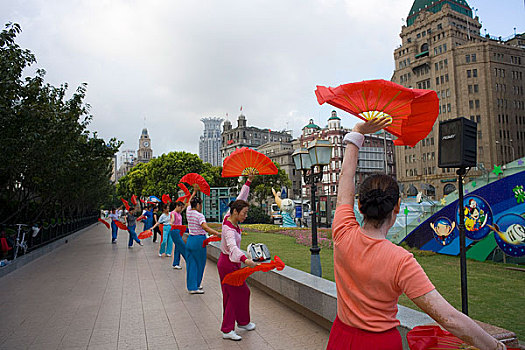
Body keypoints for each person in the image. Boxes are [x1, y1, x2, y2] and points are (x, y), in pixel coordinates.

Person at [327, 117, 506, 350]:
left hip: (340, 337)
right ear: (397, 207)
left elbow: (345, 182)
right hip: (379, 343)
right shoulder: (400, 261)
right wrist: (495, 346)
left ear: (359, 207)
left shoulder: (342, 232)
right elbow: (448, 318)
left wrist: (356, 134)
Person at [218, 176, 259, 341]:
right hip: (228, 263)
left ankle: (242, 322)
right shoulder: (228, 229)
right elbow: (233, 249)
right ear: (236, 212)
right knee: (233, 296)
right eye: (244, 213)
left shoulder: (230, 215)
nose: (246, 216)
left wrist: (248, 181)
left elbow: (241, 198)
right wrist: (247, 260)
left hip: (232, 263)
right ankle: (227, 329)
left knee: (243, 292)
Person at [186, 194, 220, 294]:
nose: (201, 207)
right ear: (197, 205)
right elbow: (205, 227)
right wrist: (217, 233)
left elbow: (188, 201)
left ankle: (191, 286)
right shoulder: (199, 215)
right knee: (200, 263)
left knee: (191, 264)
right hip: (199, 241)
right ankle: (196, 285)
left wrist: (194, 191)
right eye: (200, 205)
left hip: (190, 239)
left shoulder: (188, 211)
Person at [170, 197, 193, 269]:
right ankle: (189, 261)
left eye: (182, 207)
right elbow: (172, 220)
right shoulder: (173, 213)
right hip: (175, 231)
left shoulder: (179, 212)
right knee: (183, 246)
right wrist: (172, 223)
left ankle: (175, 263)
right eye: (180, 207)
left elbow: (186, 204)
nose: (181, 209)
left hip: (180, 231)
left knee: (178, 247)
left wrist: (191, 194)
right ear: (177, 206)